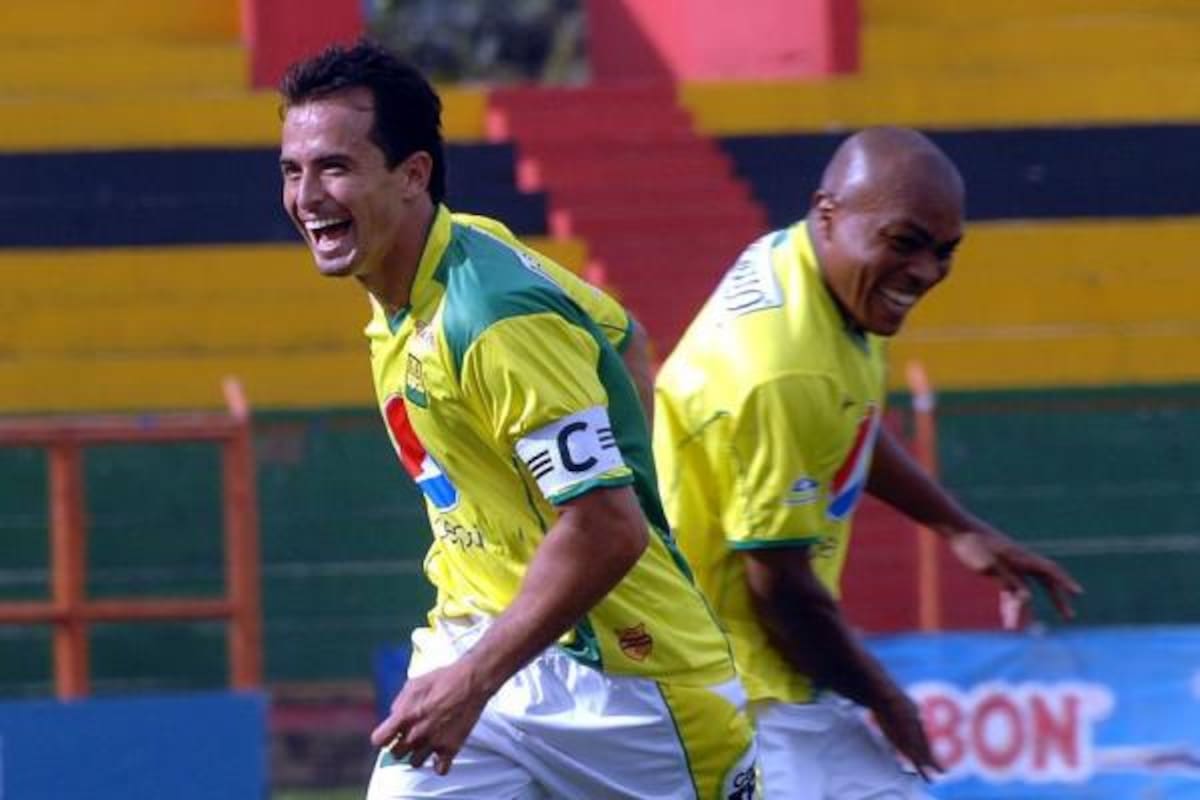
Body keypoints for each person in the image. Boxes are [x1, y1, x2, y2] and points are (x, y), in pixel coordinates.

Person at [278, 40, 757, 800]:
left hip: (631, 691)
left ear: (412, 175)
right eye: (292, 170)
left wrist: (473, 677)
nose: (307, 196)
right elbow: (621, 336)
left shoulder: (492, 319)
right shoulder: (444, 260)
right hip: (486, 638)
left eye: (334, 167)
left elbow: (609, 528)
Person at [652, 126, 1083, 799]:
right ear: (828, 214)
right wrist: (884, 696)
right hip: (731, 690)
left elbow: (843, 421)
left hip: (778, 672)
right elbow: (780, 589)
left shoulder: (812, 270)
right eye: (905, 242)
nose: (926, 272)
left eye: (945, 251)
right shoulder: (785, 369)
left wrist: (956, 526)